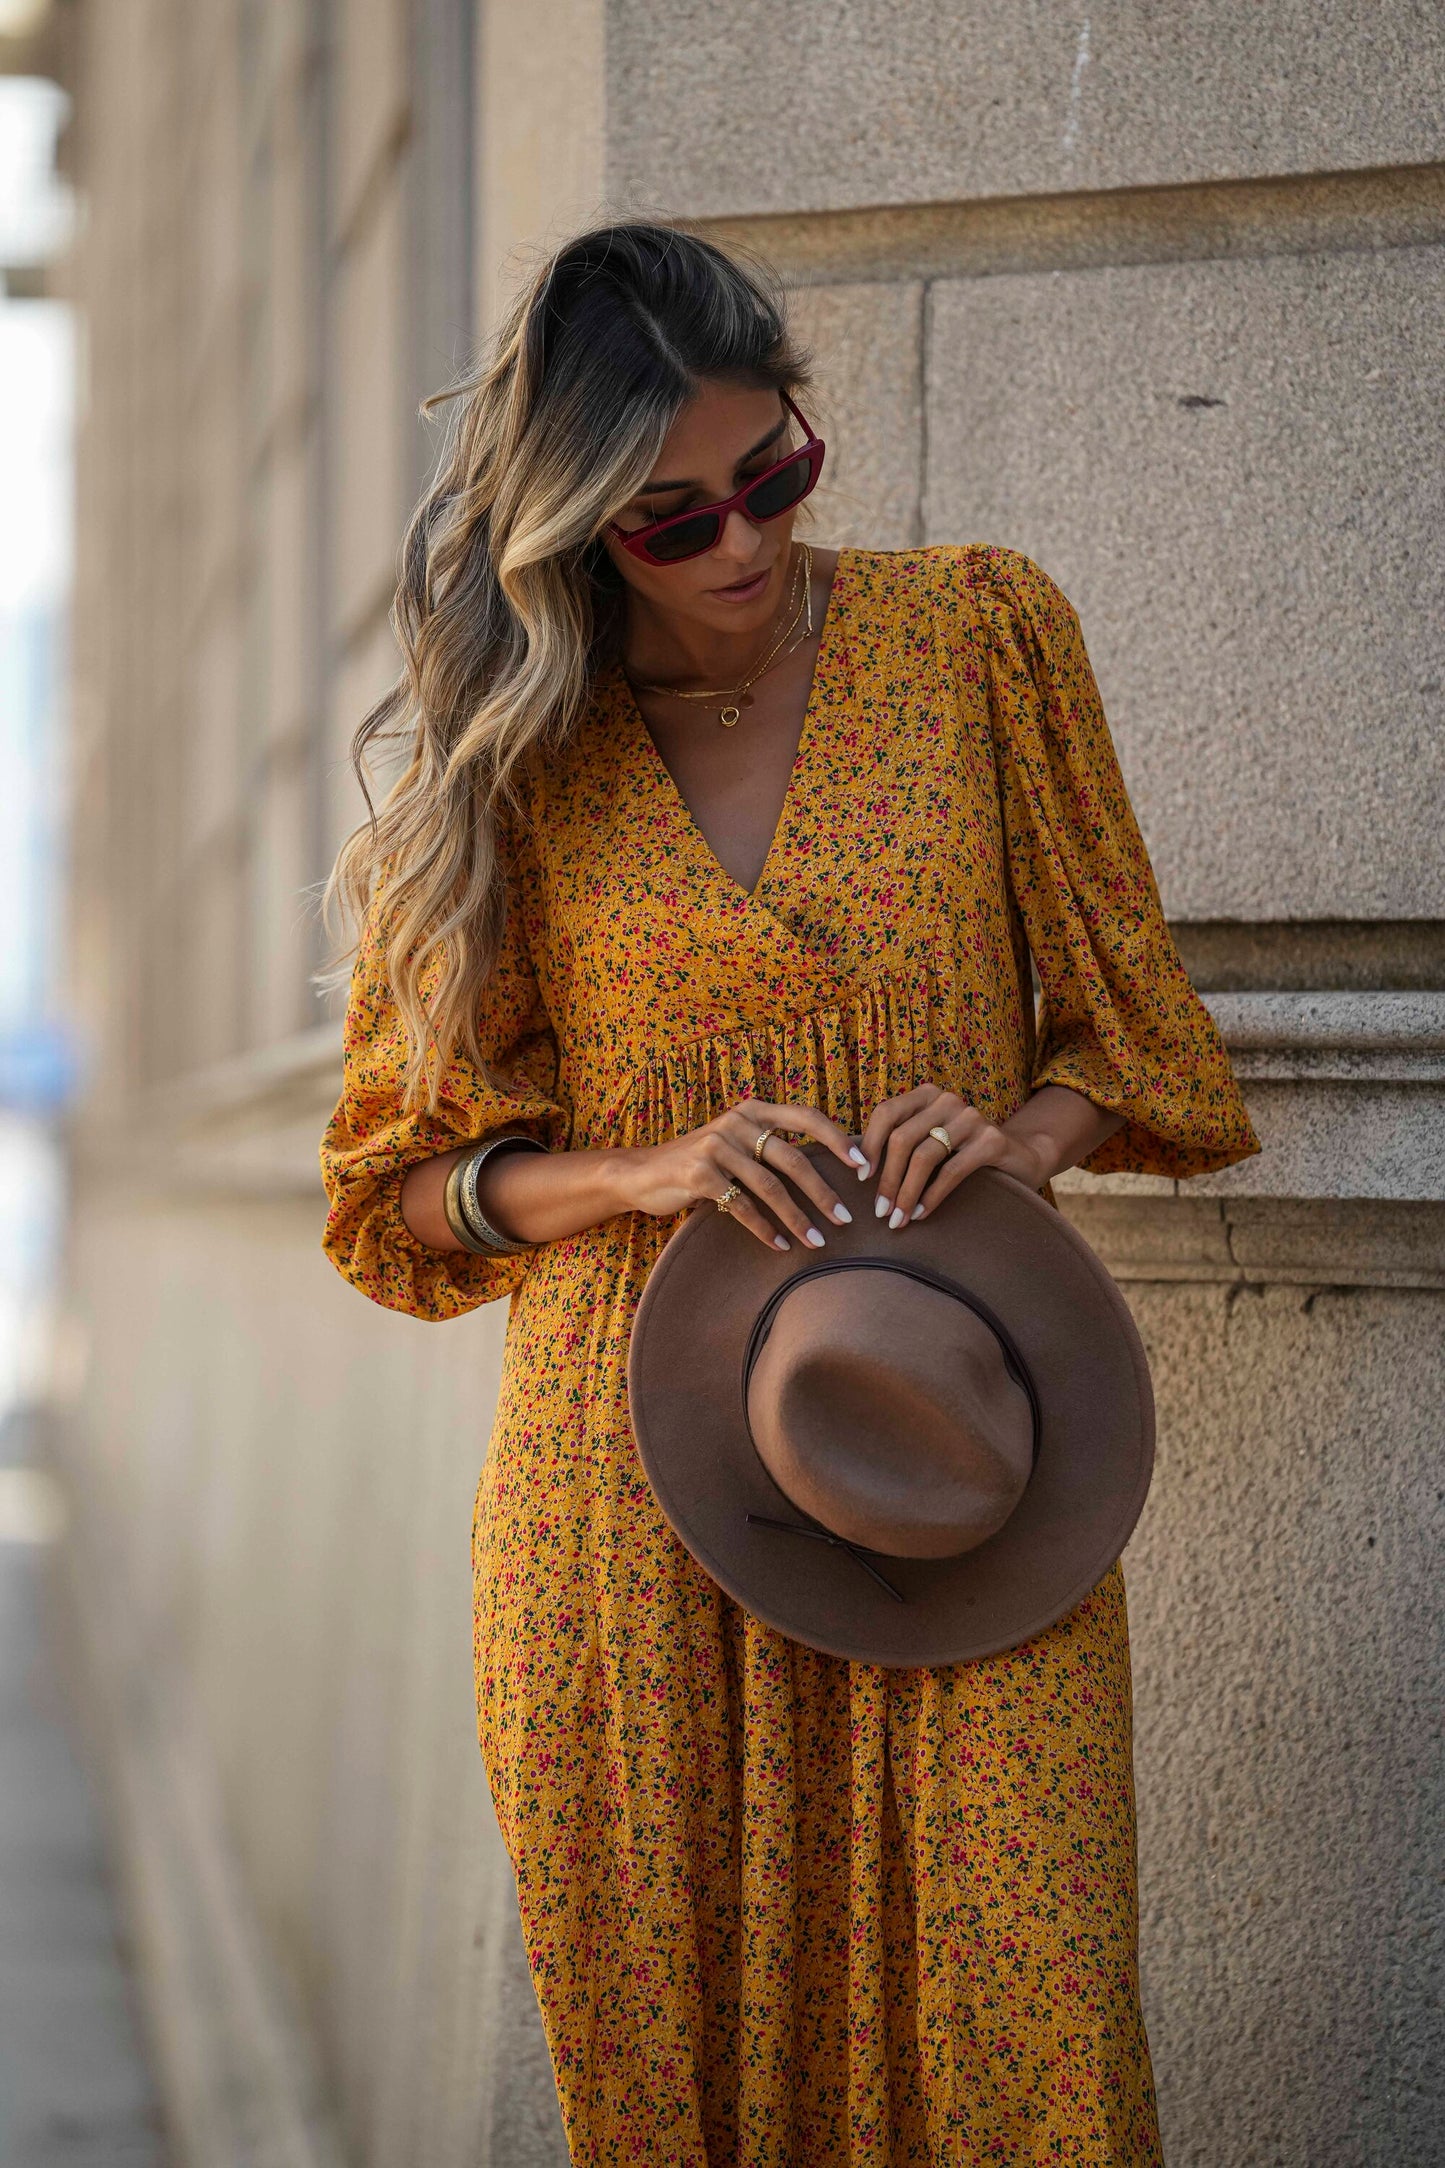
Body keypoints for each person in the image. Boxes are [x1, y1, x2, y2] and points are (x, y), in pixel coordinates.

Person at [320, 221, 1259, 2165]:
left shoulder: (980, 633)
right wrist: (640, 1166)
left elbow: (1137, 1036)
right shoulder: (524, 767)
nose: (742, 546)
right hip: (624, 1492)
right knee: (684, 2076)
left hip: (967, 1456)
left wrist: (1020, 1143)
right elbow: (395, 1197)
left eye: (774, 479)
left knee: (1035, 2036)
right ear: (575, 530)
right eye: (673, 520)